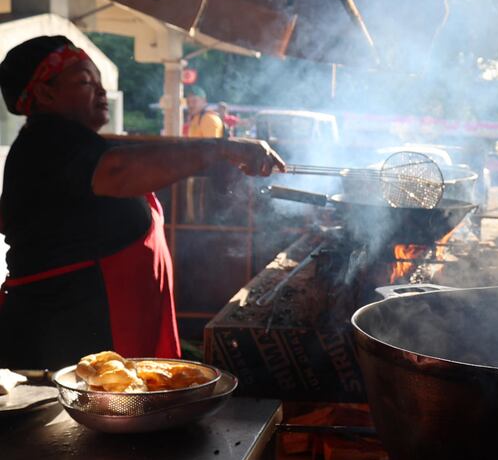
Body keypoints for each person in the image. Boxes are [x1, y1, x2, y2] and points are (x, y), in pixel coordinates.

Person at [0, 36, 285, 369]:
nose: (102, 92)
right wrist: (221, 149)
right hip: (68, 343)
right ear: (45, 94)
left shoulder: (74, 144)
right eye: (84, 82)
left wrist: (212, 167)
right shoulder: (47, 141)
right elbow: (120, 170)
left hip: (89, 337)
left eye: (99, 81)